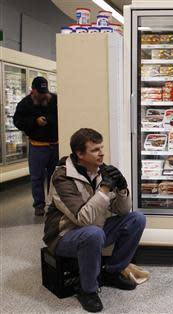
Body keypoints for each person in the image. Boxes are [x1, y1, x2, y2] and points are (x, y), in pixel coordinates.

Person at [43, 128, 146, 313]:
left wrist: (122, 189)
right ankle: (87, 290)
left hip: (95, 230)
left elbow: (122, 210)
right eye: (95, 150)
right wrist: (105, 188)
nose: (102, 153)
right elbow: (83, 219)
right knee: (93, 233)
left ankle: (112, 272)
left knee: (137, 219)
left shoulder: (100, 171)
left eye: (102, 148)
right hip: (63, 236)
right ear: (79, 154)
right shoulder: (62, 178)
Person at [13, 76, 59, 216]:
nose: (44, 95)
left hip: (55, 145)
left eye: (45, 92)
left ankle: (54, 204)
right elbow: (18, 122)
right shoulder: (24, 104)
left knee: (55, 177)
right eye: (40, 92)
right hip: (38, 146)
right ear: (33, 91)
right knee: (37, 177)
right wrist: (35, 121)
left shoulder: (54, 99)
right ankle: (39, 205)